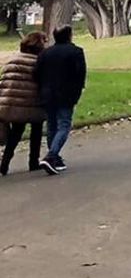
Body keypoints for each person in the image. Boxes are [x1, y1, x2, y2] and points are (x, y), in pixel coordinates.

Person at [33, 25, 86, 175]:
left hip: (47, 94)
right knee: (64, 125)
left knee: (52, 125)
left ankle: (54, 157)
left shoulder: (45, 53)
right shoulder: (76, 52)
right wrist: (77, 91)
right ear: (69, 35)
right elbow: (80, 74)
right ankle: (51, 155)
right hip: (66, 94)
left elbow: (36, 73)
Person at [0, 31, 47, 176]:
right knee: (36, 131)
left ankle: (5, 163)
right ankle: (33, 161)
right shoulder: (39, 63)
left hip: (13, 103)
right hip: (33, 102)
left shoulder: (12, 61)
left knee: (15, 133)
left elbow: (3, 83)